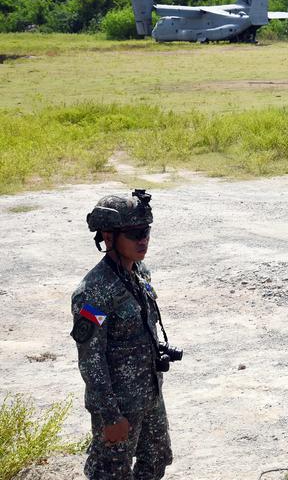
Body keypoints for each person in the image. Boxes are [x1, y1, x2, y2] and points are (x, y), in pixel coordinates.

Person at [71, 189, 175, 479]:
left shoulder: (140, 273)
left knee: (156, 461)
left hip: (150, 395)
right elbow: (91, 362)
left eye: (146, 231)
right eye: (134, 233)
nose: (143, 239)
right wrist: (111, 416)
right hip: (119, 405)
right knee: (111, 473)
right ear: (108, 237)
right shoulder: (94, 293)